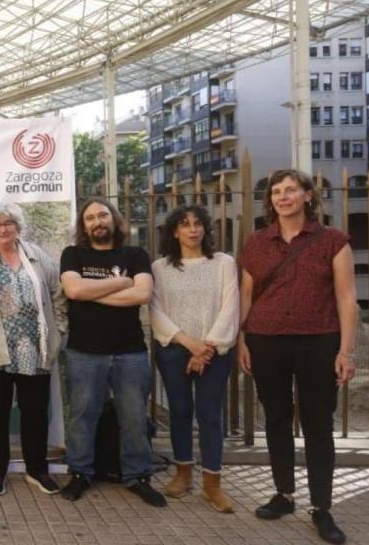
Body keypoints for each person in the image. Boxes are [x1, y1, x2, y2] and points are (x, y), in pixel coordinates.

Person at [237, 169, 356, 545]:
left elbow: (346, 298)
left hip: (318, 340)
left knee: (319, 424)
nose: (283, 197)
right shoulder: (257, 242)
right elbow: (246, 295)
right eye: (276, 192)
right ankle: (284, 494)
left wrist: (346, 350)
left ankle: (321, 507)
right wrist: (242, 339)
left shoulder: (332, 241)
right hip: (266, 340)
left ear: (307, 196)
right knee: (275, 419)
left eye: (291, 190)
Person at [58, 198, 165, 508]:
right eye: (90, 218)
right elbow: (74, 291)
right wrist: (119, 283)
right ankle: (80, 473)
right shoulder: (73, 254)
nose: (97, 221)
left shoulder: (135, 254)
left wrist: (92, 293)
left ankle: (137, 476)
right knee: (82, 416)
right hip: (84, 351)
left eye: (102, 215)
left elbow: (143, 294)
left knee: (133, 417)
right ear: (84, 225)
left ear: (114, 219)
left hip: (129, 352)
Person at [0, 202, 66, 497]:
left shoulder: (37, 256)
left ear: (18, 226)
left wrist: (60, 329)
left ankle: (37, 470)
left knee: (35, 413)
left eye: (8, 223)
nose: (3, 229)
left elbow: (58, 294)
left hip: (35, 348)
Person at [150, 205, 238, 513]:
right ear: (174, 231)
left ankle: (212, 485)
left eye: (198, 224)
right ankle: (183, 473)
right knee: (180, 411)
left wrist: (207, 347)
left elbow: (230, 305)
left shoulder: (224, 263)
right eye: (185, 224)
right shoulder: (159, 268)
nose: (193, 229)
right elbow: (154, 309)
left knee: (210, 415)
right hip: (174, 348)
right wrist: (189, 344)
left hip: (215, 350)